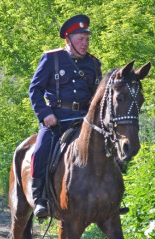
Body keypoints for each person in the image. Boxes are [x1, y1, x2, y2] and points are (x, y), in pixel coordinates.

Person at [29, 14, 102, 218]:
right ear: (68, 40)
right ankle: (40, 198)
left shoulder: (94, 64)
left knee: (109, 149)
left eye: (87, 39)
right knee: (42, 150)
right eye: (81, 39)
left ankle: (109, 199)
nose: (85, 43)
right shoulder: (52, 59)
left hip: (84, 120)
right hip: (57, 119)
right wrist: (45, 114)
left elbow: (97, 96)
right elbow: (35, 89)